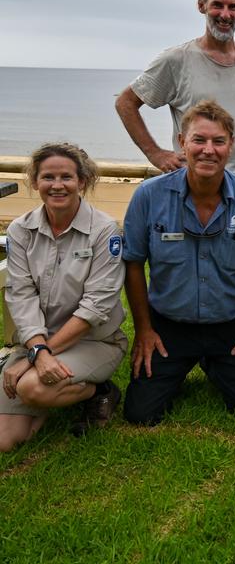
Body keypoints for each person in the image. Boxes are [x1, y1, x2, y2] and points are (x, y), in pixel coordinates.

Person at [121, 100, 235, 425]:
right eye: (199, 140)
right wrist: (144, 330)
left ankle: (213, 361)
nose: (208, 150)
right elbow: (133, 264)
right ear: (182, 142)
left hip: (231, 324)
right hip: (169, 325)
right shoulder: (149, 196)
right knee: (140, 414)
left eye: (218, 141)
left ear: (231, 145)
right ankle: (187, 363)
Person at [1, 144, 126, 450]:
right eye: (48, 177)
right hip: (36, 342)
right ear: (35, 182)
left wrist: (37, 359)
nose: (57, 185)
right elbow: (21, 296)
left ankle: (99, 391)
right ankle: (45, 389)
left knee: (32, 387)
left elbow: (94, 308)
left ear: (82, 181)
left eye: (66, 177)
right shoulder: (20, 230)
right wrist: (37, 352)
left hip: (94, 342)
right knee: (6, 441)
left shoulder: (104, 231)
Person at [115, 0, 235, 181]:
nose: (225, 15)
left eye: (232, 7)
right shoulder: (176, 60)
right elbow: (125, 103)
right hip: (193, 187)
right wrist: (155, 154)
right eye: (217, 5)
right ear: (201, 6)